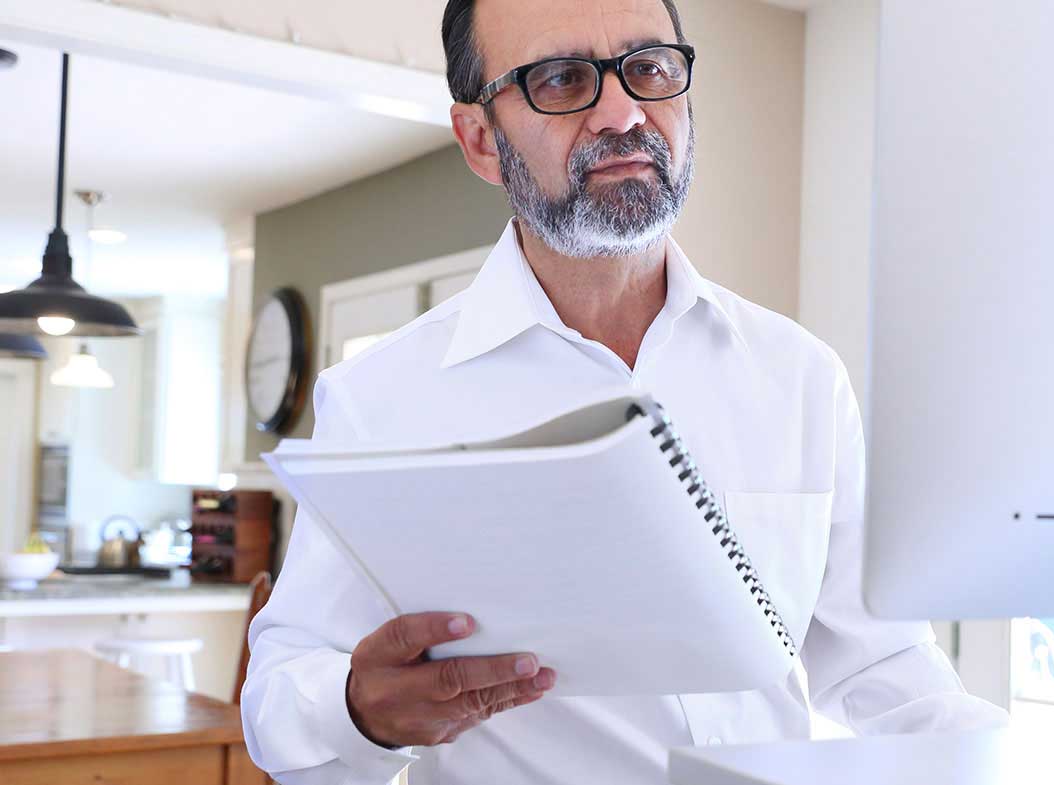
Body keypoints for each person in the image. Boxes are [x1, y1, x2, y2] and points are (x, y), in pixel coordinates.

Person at [239, 1, 1005, 781]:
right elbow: (276, 695)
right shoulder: (380, 400)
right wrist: (361, 709)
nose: (624, 111)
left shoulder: (801, 375)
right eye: (562, 79)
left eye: (650, 68)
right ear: (479, 141)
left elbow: (885, 670)